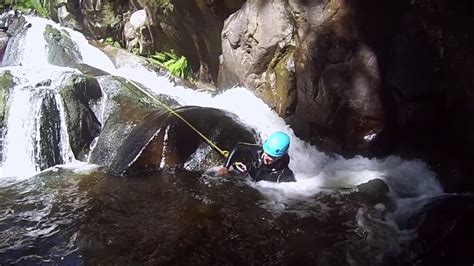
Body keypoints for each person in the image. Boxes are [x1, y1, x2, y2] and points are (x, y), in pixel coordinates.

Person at [217, 131, 296, 183]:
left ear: (280, 157)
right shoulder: (258, 151)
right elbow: (238, 147)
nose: (266, 158)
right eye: (266, 153)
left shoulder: (284, 174)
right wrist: (226, 167)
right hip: (247, 176)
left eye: (272, 157)